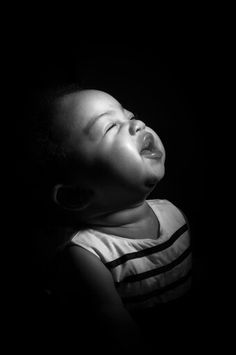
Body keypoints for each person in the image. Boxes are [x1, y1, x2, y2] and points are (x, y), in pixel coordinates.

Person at [26, 87, 192, 354]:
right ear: (75, 195)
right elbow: (117, 335)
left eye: (129, 115)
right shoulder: (88, 258)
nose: (137, 125)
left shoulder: (173, 213)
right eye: (111, 127)